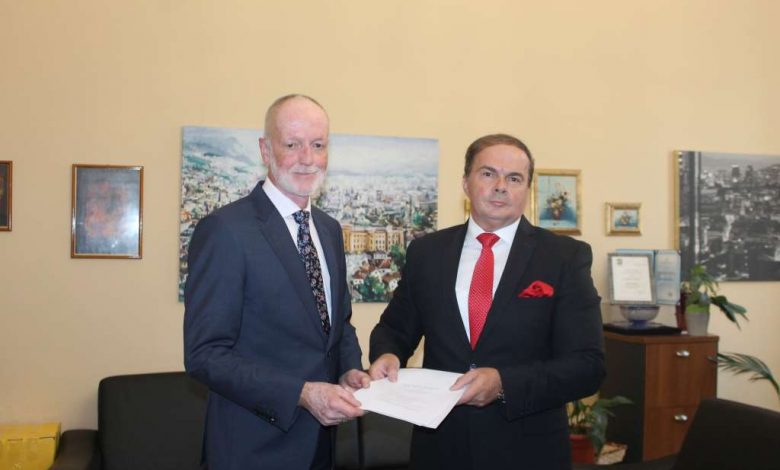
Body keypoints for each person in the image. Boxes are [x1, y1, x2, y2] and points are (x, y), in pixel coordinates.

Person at [368, 134, 605, 470]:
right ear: (466, 183)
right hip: (440, 448)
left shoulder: (564, 257)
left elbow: (588, 366)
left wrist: (504, 384)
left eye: (514, 178)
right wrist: (388, 354)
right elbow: (395, 329)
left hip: (528, 451)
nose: (500, 187)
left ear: (527, 189)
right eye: (488, 173)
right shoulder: (427, 252)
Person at [184, 94, 370, 470]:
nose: (307, 158)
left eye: (318, 145)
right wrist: (301, 394)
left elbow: (337, 324)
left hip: (321, 447)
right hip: (252, 450)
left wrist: (350, 369)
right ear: (265, 150)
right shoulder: (225, 231)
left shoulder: (330, 230)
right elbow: (205, 355)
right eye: (292, 144)